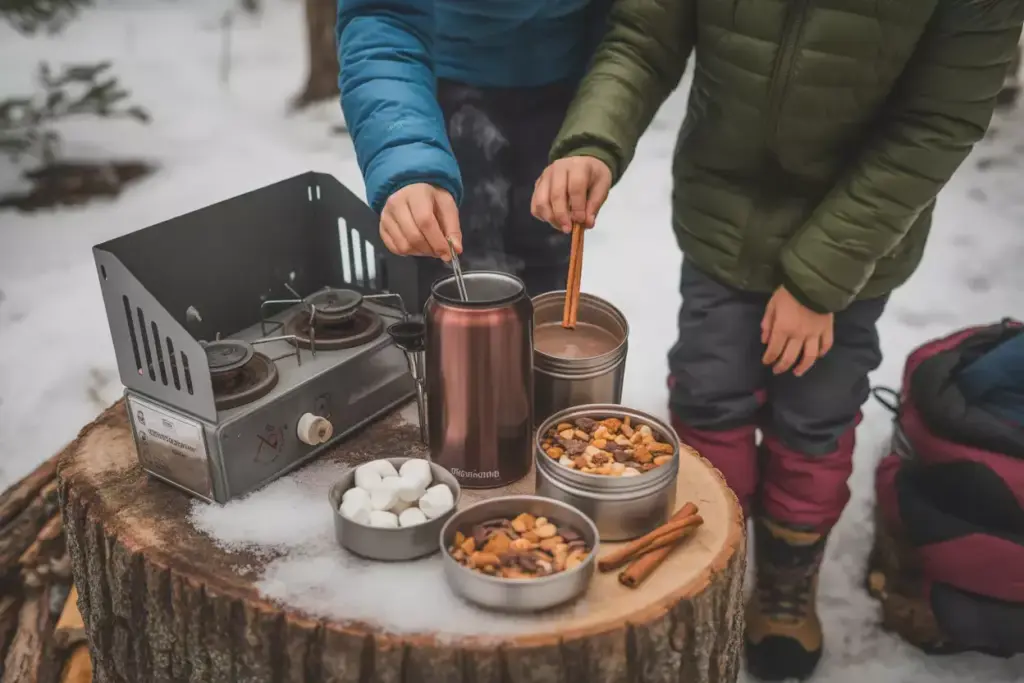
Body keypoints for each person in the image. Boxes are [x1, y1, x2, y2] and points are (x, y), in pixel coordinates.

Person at [530, 1, 1024, 680]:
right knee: (707, 393)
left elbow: (937, 123)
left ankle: (787, 580)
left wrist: (821, 281)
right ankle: (715, 556)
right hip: (721, 212)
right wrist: (594, 138)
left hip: (855, 236)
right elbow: (645, 34)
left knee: (815, 414)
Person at [336, 0, 612, 304]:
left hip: (565, 94)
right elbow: (381, 14)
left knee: (543, 289)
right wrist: (407, 155)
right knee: (430, 273)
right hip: (429, 94)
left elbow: (634, 27)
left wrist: (593, 128)